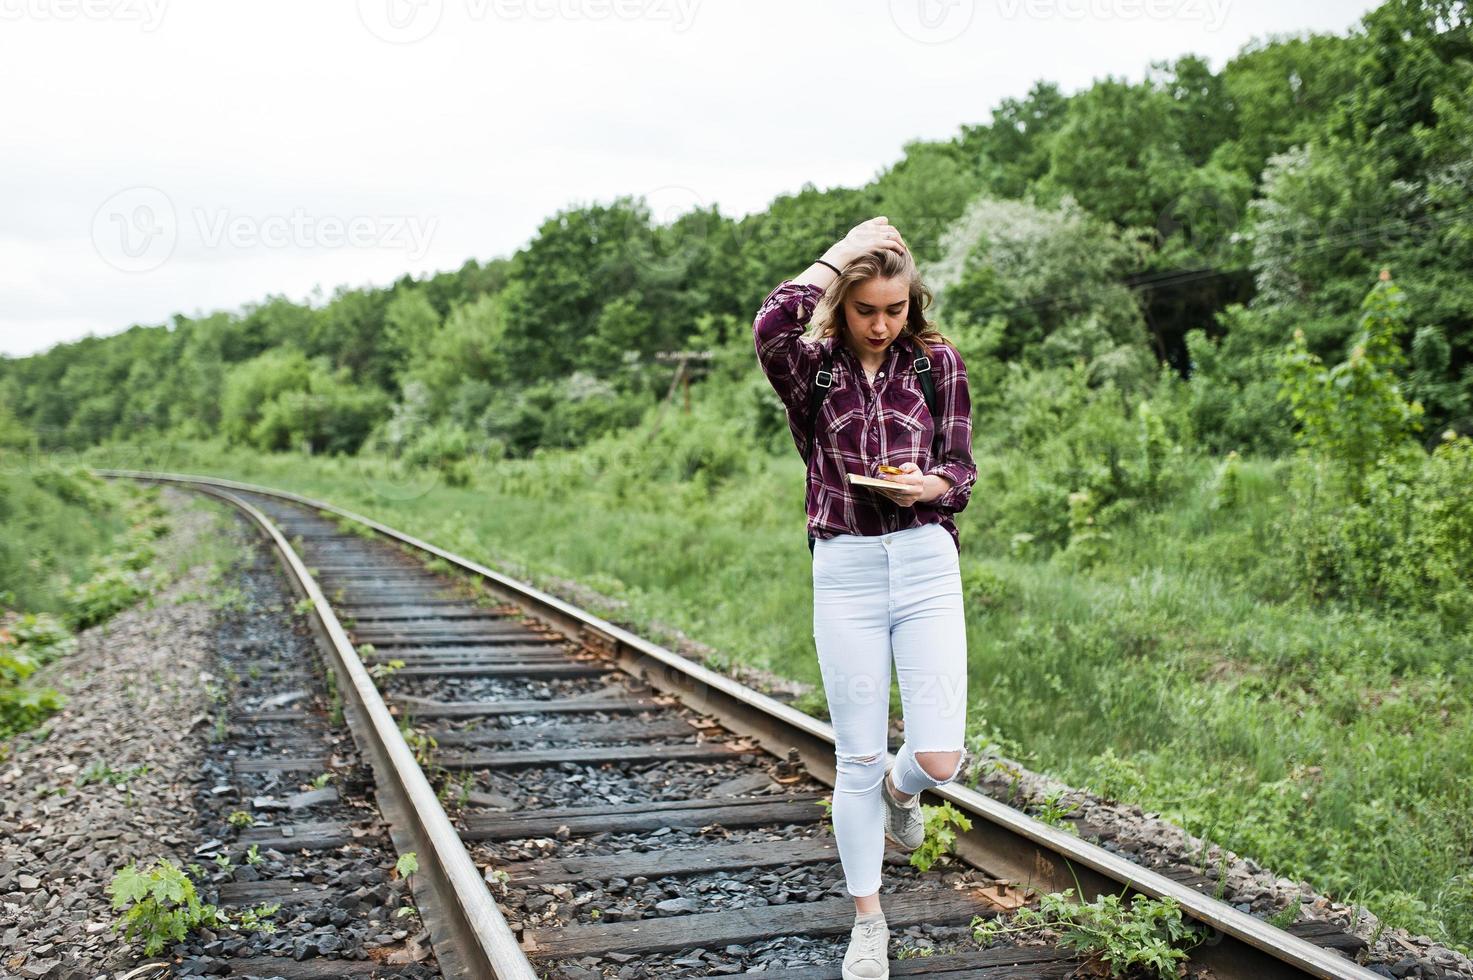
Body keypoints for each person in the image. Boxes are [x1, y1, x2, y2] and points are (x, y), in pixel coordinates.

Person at [752, 216, 977, 980]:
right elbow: (769, 323)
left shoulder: (935, 364)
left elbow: (961, 468)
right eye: (865, 308)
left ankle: (900, 787)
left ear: (912, 304)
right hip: (843, 565)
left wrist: (932, 486)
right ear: (842, 303)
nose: (881, 324)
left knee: (940, 757)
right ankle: (868, 923)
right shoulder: (810, 369)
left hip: (923, 560)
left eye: (895, 308)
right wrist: (841, 252)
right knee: (852, 756)